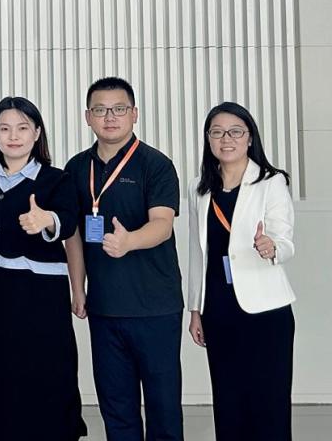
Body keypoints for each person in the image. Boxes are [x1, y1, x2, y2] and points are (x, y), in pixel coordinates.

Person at [64, 77, 183, 441]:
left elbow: (162, 225)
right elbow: (74, 234)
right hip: (105, 308)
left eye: (119, 109)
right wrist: (78, 288)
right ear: (88, 117)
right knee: (116, 408)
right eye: (100, 110)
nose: (110, 117)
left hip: (155, 307)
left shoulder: (156, 165)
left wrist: (129, 241)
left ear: (134, 114)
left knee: (163, 407)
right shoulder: (76, 167)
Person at [0, 96, 86, 441]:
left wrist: (47, 220)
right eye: (4, 128)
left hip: (41, 295)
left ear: (37, 133)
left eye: (22, 128)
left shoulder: (56, 179)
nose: (13, 136)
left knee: (46, 372)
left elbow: (68, 221)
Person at [187, 102, 295, 440]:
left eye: (235, 131)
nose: (226, 139)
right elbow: (197, 253)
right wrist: (195, 309)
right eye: (217, 132)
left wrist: (272, 247)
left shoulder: (271, 182)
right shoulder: (199, 188)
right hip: (218, 309)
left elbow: (285, 239)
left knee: (269, 402)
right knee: (228, 401)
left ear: (250, 138)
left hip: (265, 309)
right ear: (208, 139)